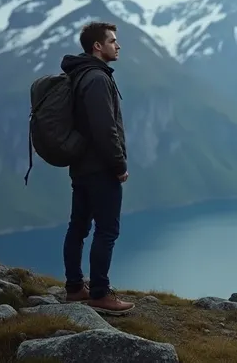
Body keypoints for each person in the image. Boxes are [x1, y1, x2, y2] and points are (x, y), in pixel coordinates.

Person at [58, 21, 135, 315]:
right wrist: (119, 164)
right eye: (113, 41)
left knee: (78, 227)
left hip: (81, 166)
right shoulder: (97, 79)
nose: (118, 45)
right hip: (100, 168)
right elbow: (105, 129)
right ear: (97, 47)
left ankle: (75, 287)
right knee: (107, 230)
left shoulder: (79, 75)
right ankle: (100, 293)